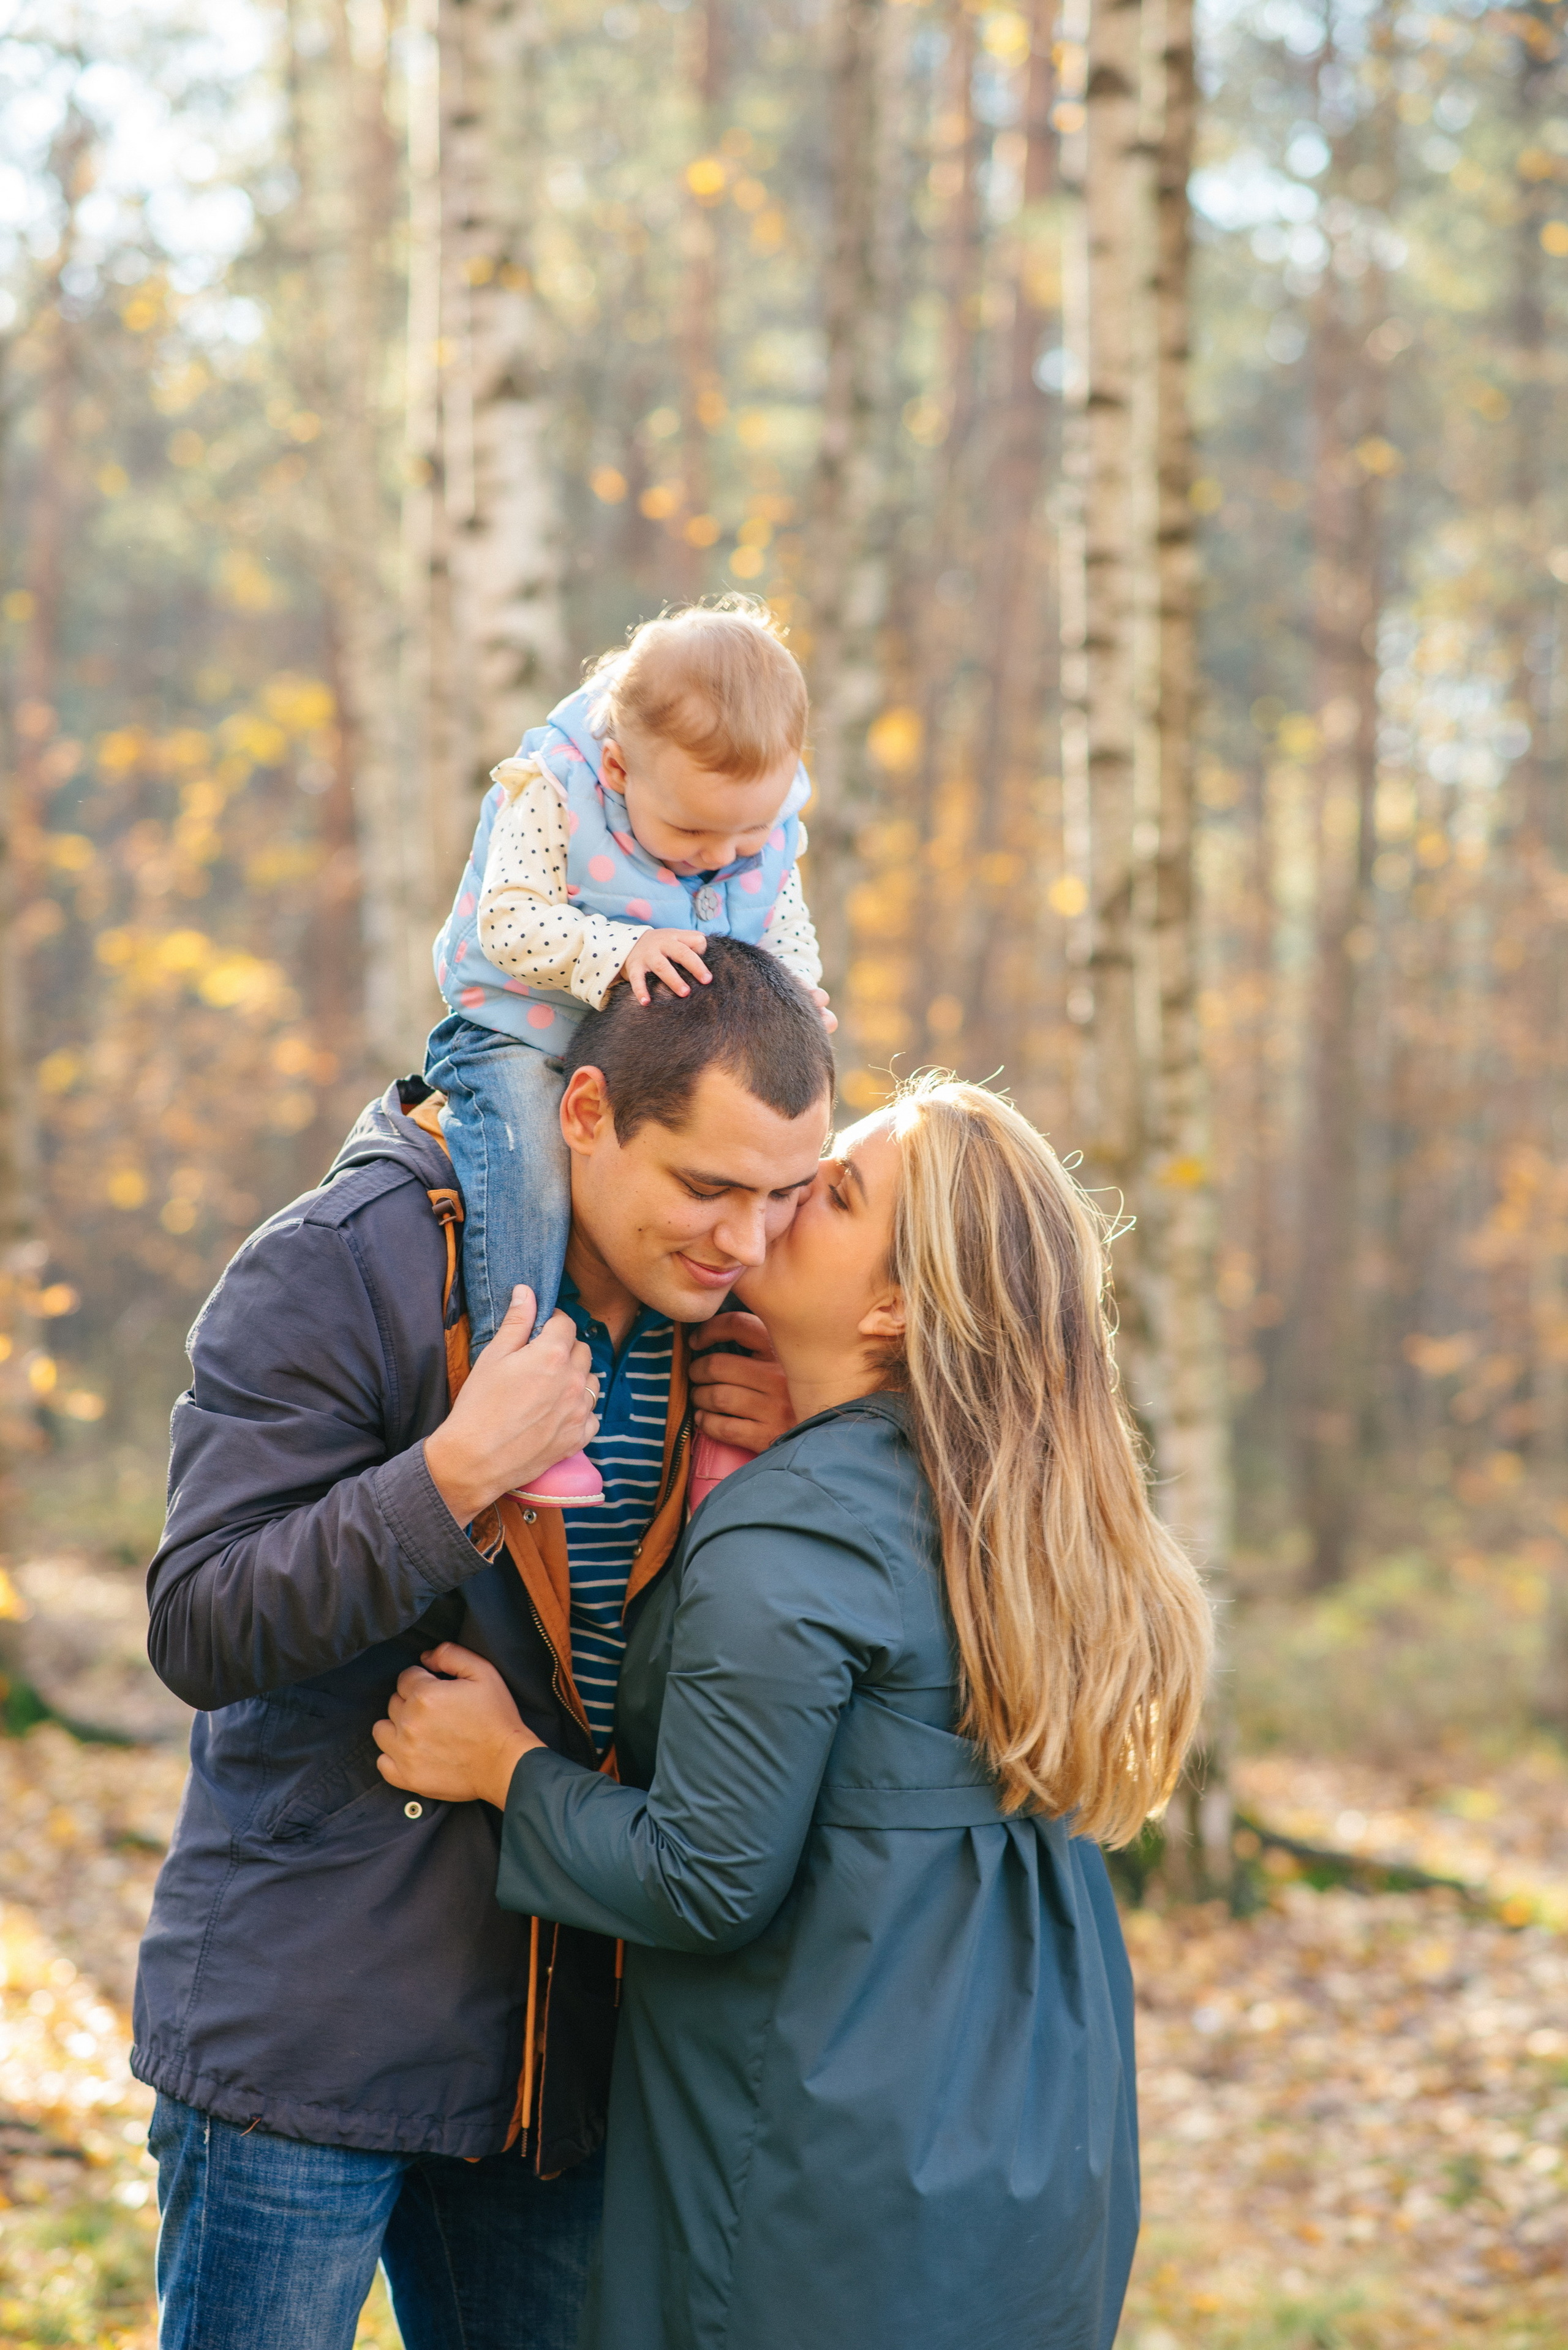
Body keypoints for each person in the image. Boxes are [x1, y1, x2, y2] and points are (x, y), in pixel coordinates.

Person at [375, 1075, 1215, 2350]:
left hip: (836, 2148)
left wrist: (504, 1767)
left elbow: (704, 1880)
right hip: (1035, 2124)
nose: (774, 1200)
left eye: (829, 1191)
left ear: (889, 1307)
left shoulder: (800, 1522)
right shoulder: (1017, 1513)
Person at [132, 939, 834, 2350]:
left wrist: (804, 1435)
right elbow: (199, 1619)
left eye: (783, 1196)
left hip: (555, 2060)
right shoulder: (344, 1263)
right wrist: (448, 1481)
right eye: (708, 1188)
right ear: (582, 1114)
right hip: (307, 2036)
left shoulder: (735, 1333)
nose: (745, 1241)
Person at [426, 597, 833, 1513]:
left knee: (752, 1196)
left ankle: (729, 1435)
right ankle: (521, 1400)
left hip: (670, 1060)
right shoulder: (552, 790)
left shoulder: (753, 821)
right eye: (693, 836)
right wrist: (619, 952)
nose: (718, 859)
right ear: (618, 767)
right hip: (523, 1031)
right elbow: (509, 922)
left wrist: (796, 989)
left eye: (746, 836)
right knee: (526, 1174)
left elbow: (783, 918)